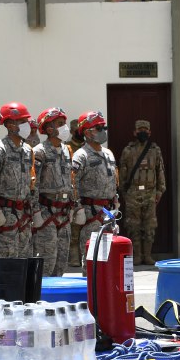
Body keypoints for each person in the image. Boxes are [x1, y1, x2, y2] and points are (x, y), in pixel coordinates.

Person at [0, 102, 35, 261]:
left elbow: (31, 183)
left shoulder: (27, 150)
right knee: (7, 263)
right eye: (23, 122)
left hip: (23, 216)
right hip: (5, 215)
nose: (28, 125)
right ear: (10, 125)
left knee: (24, 262)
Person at [32, 107, 74, 277]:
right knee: (47, 261)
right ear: (49, 129)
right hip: (46, 212)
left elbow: (71, 180)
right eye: (60, 124)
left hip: (64, 212)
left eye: (64, 123)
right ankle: (42, 298)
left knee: (62, 262)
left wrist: (73, 206)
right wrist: (35, 212)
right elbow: (33, 185)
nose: (65, 127)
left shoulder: (66, 150)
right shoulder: (39, 152)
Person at [72, 111, 118, 264]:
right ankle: (91, 288)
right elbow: (73, 184)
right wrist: (78, 209)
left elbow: (113, 179)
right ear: (87, 132)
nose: (103, 131)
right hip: (91, 214)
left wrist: (115, 200)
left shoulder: (109, 154)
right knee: (92, 258)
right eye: (98, 128)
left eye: (103, 127)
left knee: (109, 258)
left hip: (109, 213)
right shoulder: (81, 156)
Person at [118, 119, 166, 266]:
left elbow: (160, 171)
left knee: (150, 226)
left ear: (149, 132)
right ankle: (137, 256)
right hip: (133, 193)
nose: (143, 132)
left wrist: (159, 191)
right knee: (133, 226)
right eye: (140, 130)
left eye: (145, 130)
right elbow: (122, 174)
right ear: (135, 132)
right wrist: (124, 194)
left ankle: (147, 255)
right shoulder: (128, 150)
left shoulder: (155, 150)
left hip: (150, 193)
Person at [67, 117, 86, 266]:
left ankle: (84, 256)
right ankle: (73, 257)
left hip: (87, 191)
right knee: (74, 228)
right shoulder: (67, 147)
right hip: (74, 190)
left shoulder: (87, 147)